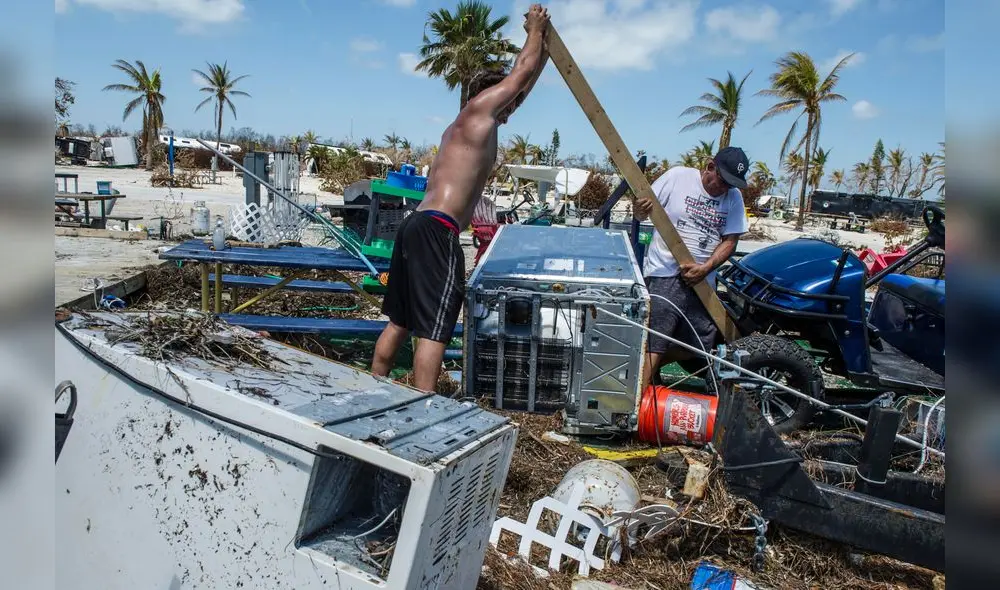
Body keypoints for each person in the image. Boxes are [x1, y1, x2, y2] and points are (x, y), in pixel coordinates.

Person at [371, 4, 551, 392]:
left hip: (417, 225)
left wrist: (545, 52)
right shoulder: (478, 112)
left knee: (401, 319)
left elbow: (522, 85)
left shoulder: (468, 127)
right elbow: (519, 77)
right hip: (438, 230)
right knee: (436, 327)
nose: (512, 105)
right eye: (506, 97)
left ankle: (373, 386)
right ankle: (423, 403)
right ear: (489, 95)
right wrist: (534, 30)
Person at [632, 146, 751, 393]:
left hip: (702, 280)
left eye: (731, 183)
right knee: (657, 336)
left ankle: (643, 373)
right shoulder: (677, 177)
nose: (724, 188)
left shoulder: (734, 197)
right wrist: (639, 210)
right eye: (722, 179)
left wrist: (706, 268)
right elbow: (641, 212)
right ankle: (635, 403)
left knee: (699, 341)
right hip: (666, 272)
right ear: (710, 166)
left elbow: (730, 240)